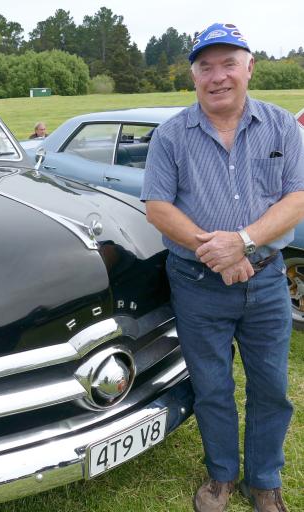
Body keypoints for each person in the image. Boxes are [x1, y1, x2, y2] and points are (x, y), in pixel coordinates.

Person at [141, 23, 304, 512]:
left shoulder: (281, 127)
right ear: (193, 76)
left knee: (272, 386)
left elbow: (298, 196)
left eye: (228, 63)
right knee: (212, 386)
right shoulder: (171, 135)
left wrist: (245, 243)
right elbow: (157, 206)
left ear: (249, 67)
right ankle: (221, 477)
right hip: (197, 284)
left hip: (268, 279)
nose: (218, 76)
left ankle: (264, 480)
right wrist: (218, 251)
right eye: (205, 66)